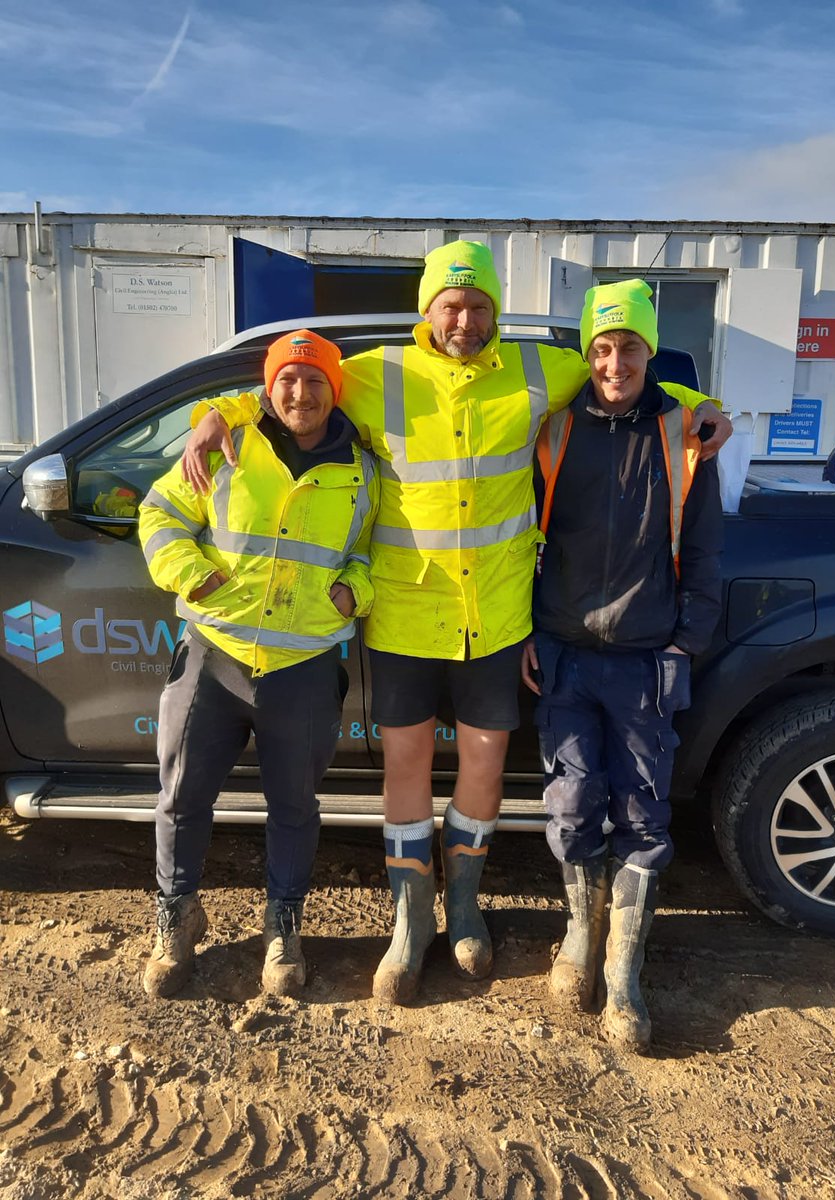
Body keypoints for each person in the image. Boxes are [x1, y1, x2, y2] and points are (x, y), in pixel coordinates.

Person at [182, 242, 731, 1006]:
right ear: (426, 309)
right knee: (404, 769)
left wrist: (700, 406)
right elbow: (295, 387)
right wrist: (219, 411)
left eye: (478, 307)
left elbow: (624, 379)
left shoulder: (541, 369)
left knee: (480, 766)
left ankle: (463, 904)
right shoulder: (376, 374)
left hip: (497, 615)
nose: (465, 320)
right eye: (451, 304)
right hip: (406, 613)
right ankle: (411, 921)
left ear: (495, 311)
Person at [138, 329, 378, 1000]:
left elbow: (370, 553)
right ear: (268, 389)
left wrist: (353, 590)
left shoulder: (362, 470)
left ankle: (283, 921)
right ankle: (177, 912)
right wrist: (189, 574)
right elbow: (159, 514)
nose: (300, 393)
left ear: (334, 391)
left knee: (294, 805)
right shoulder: (225, 444)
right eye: (287, 381)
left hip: (302, 662)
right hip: (214, 654)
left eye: (315, 382)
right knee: (182, 796)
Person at [522, 279, 723, 1051]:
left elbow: (703, 551)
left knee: (641, 815)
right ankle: (580, 934)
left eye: (628, 348)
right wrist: (531, 632)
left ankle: (622, 970)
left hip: (644, 660)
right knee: (571, 806)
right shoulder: (554, 430)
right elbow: (523, 540)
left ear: (649, 352)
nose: (613, 363)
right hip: (566, 654)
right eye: (600, 349)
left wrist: (684, 645)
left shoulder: (685, 435)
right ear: (587, 354)